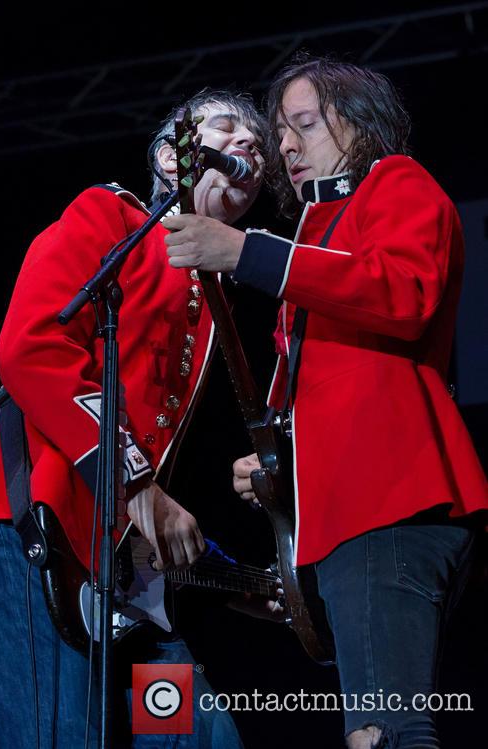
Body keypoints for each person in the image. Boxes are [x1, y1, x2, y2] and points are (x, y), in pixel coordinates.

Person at [163, 56, 488, 748]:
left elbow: (400, 290)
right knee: (374, 732)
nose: (284, 146)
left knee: (388, 731)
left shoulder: (395, 181)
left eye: (303, 124)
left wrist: (249, 252)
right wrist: (275, 460)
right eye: (279, 132)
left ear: (359, 123)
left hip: (388, 501)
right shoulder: (322, 232)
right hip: (347, 513)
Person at [0, 89, 265, 748]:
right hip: (32, 524)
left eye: (259, 143)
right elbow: (29, 346)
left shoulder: (218, 294)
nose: (250, 145)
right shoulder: (107, 215)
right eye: (227, 129)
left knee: (200, 738)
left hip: (119, 574)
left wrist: (226, 579)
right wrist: (136, 486)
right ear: (172, 157)